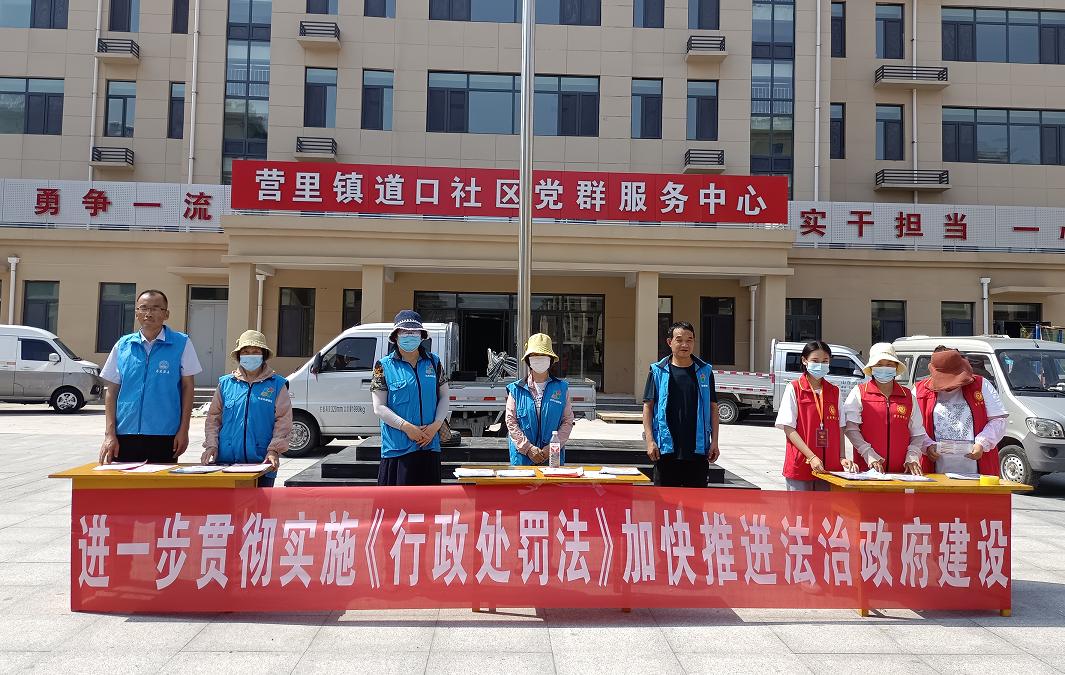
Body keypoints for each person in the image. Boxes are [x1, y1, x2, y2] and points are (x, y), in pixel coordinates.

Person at [98, 289, 201, 464]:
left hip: (165, 434)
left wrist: (184, 430)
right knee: (124, 481)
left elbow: (188, 388)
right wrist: (110, 433)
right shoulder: (123, 345)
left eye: (155, 308)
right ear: (136, 313)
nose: (148, 313)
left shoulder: (181, 343)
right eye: (143, 308)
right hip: (125, 433)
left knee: (160, 481)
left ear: (166, 314)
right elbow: (112, 390)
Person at [201, 330, 292, 487]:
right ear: (239, 355)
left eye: (255, 351)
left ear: (263, 355)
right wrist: (211, 445)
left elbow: (283, 421)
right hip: (226, 462)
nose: (250, 355)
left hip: (262, 463)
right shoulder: (225, 384)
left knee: (259, 504)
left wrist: (274, 450)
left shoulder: (277, 385)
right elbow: (213, 418)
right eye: (246, 352)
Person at [370, 310, 450, 486]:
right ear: (395, 336)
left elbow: (444, 397)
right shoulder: (383, 366)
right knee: (397, 502)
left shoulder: (434, 362)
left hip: (429, 445)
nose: (409, 336)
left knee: (429, 502)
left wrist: (435, 426)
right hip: (397, 449)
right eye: (404, 332)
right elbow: (379, 407)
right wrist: (406, 427)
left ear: (422, 336)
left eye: (414, 332)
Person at [642, 321, 720, 487]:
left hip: (697, 451)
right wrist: (650, 441)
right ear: (669, 342)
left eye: (689, 340)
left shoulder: (705, 371)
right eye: (679, 340)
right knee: (664, 502)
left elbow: (713, 408)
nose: (685, 345)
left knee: (697, 502)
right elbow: (648, 407)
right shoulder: (657, 370)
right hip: (665, 451)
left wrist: (715, 441)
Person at [775, 341, 858, 491]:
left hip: (829, 467)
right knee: (800, 507)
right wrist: (811, 457)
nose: (820, 365)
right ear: (804, 360)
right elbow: (788, 428)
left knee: (827, 506)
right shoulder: (794, 388)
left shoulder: (834, 391)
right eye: (815, 360)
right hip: (802, 464)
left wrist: (841, 457)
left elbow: (840, 426)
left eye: (825, 361)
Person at [916, 347, 1008, 476]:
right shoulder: (919, 390)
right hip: (934, 469)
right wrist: (927, 445)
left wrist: (982, 443)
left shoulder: (981, 385)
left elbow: (999, 420)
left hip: (977, 467)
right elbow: (913, 427)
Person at [843, 342, 929, 475]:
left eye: (889, 364)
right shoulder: (859, 392)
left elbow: (917, 433)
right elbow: (851, 428)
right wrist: (867, 453)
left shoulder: (908, 396)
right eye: (879, 364)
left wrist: (912, 455)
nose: (884, 368)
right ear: (871, 368)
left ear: (896, 368)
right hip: (868, 470)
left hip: (902, 472)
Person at [505, 333, 575, 466]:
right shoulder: (516, 389)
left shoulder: (561, 388)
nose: (539, 359)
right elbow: (511, 422)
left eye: (543, 355)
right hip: (523, 460)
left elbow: (568, 421)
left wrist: (552, 447)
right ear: (528, 360)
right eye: (535, 356)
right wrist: (528, 449)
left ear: (550, 360)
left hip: (552, 459)